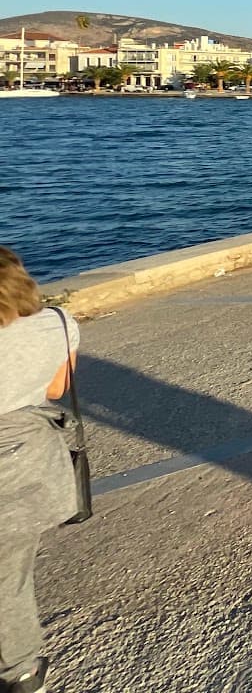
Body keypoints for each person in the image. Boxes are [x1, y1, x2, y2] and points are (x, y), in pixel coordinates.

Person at [0, 247, 80, 693]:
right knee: (10, 576)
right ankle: (22, 672)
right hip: (26, 465)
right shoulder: (58, 324)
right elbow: (55, 387)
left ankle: (20, 672)